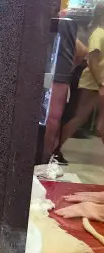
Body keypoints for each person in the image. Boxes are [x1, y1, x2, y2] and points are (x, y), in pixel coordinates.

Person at [57, 2, 104, 157]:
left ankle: (55, 148)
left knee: (93, 120)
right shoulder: (98, 33)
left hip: (98, 83)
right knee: (80, 117)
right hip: (94, 83)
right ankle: (55, 149)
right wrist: (100, 83)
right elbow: (92, 61)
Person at [43, 15, 88, 164]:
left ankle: (47, 153)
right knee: (52, 117)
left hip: (56, 74)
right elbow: (82, 51)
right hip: (57, 73)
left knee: (52, 117)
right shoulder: (61, 20)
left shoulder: (61, 21)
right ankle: (48, 152)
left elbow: (82, 51)